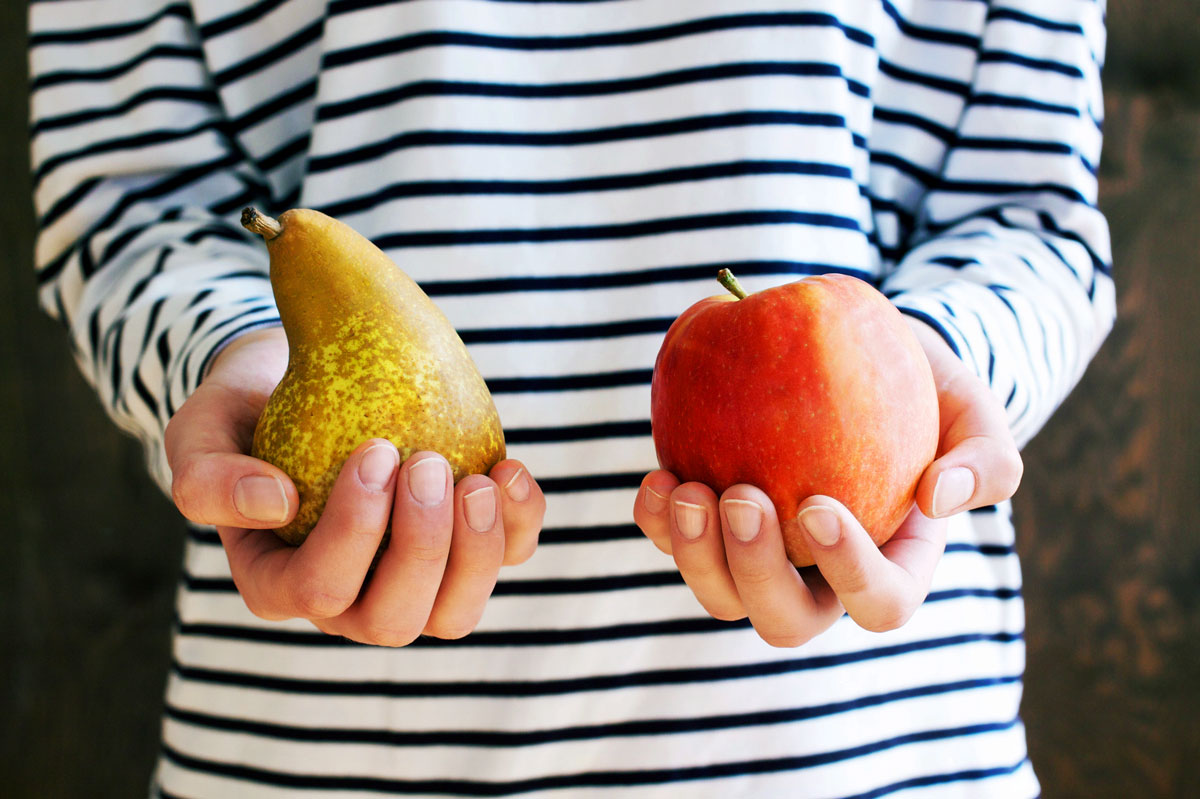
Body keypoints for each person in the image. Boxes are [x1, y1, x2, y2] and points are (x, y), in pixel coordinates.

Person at [28, 1, 1113, 797]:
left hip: (864, 746)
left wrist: (932, 388)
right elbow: (125, 204)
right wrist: (229, 354)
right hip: (315, 748)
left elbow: (1031, 215)